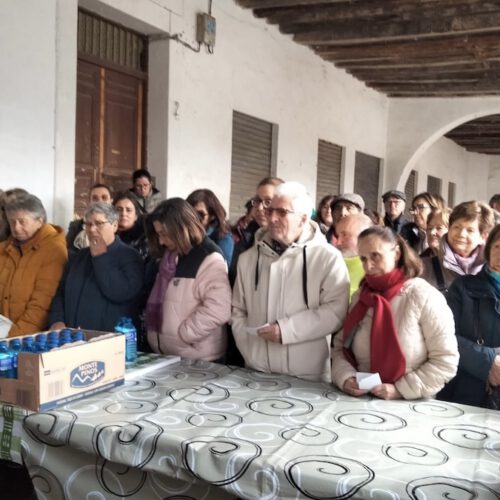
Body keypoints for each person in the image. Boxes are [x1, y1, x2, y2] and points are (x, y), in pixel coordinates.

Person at [232, 181, 350, 383]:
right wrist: (250, 351)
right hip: (256, 371)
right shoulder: (248, 259)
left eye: (282, 212)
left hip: (307, 377)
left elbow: (336, 311)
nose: (272, 218)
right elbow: (238, 311)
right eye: (270, 211)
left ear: (303, 219)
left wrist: (286, 331)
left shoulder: (327, 258)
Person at [332, 226, 459, 400]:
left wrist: (400, 390)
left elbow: (445, 361)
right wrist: (346, 377)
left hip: (412, 405)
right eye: (363, 258)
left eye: (376, 256)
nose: (368, 265)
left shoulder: (423, 296)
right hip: (361, 400)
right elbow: (340, 348)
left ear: (397, 253)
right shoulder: (360, 298)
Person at [145, 198, 232, 362]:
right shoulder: (169, 257)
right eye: (158, 235)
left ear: (181, 228)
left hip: (200, 359)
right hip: (169, 356)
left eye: (164, 234)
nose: (161, 241)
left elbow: (219, 308)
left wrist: (184, 335)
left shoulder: (209, 258)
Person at [49, 203, 144, 332]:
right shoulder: (78, 257)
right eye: (88, 224)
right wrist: (57, 320)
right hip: (73, 336)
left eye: (99, 223)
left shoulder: (130, 257)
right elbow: (61, 293)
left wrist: (101, 257)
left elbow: (121, 293)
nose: (92, 229)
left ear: (115, 225)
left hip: (109, 338)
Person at [437, 225, 500, 408]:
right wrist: (488, 361)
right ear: (488, 250)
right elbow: (444, 335)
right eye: (497, 246)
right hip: (465, 392)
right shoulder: (463, 288)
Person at [0, 194, 67, 337]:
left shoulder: (54, 251)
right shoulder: (4, 248)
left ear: (39, 221)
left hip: (28, 339)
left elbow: (41, 306)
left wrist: (12, 337)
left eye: (22, 222)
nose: (16, 228)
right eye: (12, 222)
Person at [421, 201, 494, 293]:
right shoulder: (423, 268)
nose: (461, 234)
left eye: (470, 230)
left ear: (483, 237)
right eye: (457, 227)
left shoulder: (493, 270)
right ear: (449, 228)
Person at [186, 188, 234, 264]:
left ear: (212, 216)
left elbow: (221, 267)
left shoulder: (223, 239)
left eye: (200, 214)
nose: (194, 218)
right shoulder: (185, 234)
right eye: (190, 213)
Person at [66, 183, 113, 256]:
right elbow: (68, 252)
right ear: (89, 202)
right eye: (95, 198)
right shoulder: (76, 226)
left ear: (111, 201)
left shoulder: (117, 225)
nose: (100, 201)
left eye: (104, 198)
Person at [335, 213, 373, 300]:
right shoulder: (332, 262)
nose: (338, 242)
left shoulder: (377, 270)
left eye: (345, 235)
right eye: (337, 236)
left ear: (365, 237)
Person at [113, 192, 148, 258]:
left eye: (128, 210)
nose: (123, 214)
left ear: (136, 216)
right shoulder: (107, 236)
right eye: (119, 210)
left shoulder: (145, 238)